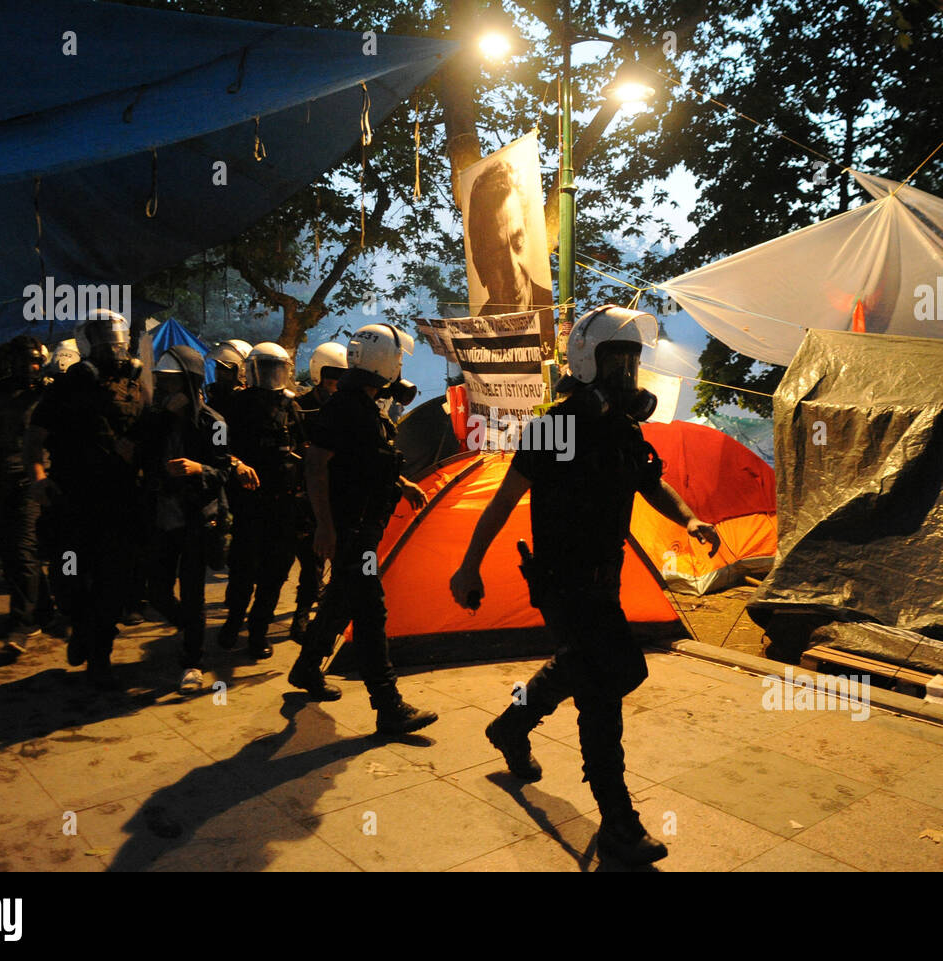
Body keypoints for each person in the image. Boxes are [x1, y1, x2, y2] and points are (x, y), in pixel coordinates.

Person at [448, 304, 720, 866]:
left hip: (606, 580)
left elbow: (653, 483)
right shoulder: (554, 427)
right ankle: (618, 821)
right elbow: (504, 501)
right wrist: (468, 565)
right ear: (586, 361)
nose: (626, 371)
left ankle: (512, 723)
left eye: (632, 359)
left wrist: (690, 519)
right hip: (562, 581)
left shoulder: (624, 428)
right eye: (615, 358)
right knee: (603, 689)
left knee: (581, 665)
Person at [287, 324, 436, 735]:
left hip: (362, 527)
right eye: (398, 357)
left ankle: (305, 668)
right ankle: (389, 706)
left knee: (341, 602)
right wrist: (324, 527)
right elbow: (316, 464)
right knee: (371, 611)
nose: (402, 364)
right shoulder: (346, 407)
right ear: (384, 360)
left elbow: (365, 460)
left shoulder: (364, 403)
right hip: (350, 530)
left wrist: (401, 483)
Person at [26, 308, 146, 690]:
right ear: (86, 340)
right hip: (73, 504)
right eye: (103, 334)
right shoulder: (67, 387)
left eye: (116, 334)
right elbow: (35, 437)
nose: (112, 343)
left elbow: (151, 435)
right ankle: (78, 626)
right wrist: (39, 478)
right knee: (69, 576)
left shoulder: (135, 387)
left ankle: (100, 657)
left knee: (113, 584)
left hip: (119, 505)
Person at [139, 345, 231, 693]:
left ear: (190, 383)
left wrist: (199, 469)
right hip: (163, 517)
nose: (166, 390)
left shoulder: (214, 422)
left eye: (174, 384)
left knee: (193, 592)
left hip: (196, 518)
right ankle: (189, 627)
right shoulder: (155, 420)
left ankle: (193, 661)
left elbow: (223, 470)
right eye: (162, 383)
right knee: (158, 590)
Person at [218, 342, 310, 659]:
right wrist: (236, 464)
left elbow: (306, 448)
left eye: (276, 368)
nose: (272, 375)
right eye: (266, 368)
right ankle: (233, 621)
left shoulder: (292, 407)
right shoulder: (235, 406)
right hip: (249, 503)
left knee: (276, 572)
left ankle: (258, 630)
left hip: (284, 504)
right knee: (244, 569)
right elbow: (218, 449)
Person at [0, 335, 52, 652]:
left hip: (30, 480)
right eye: (26, 362)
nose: (32, 368)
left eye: (36, 361)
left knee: (24, 550)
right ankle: (44, 608)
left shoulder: (48, 394)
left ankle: (23, 623)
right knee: (10, 553)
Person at [287, 341, 348, 643]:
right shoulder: (299, 407)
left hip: (338, 493)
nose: (335, 382)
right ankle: (300, 616)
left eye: (341, 375)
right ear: (319, 374)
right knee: (312, 564)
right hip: (307, 494)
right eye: (331, 375)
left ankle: (328, 617)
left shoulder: (348, 408)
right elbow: (296, 449)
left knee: (338, 565)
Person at [467, 161, 554, 323]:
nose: (513, 270)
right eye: (497, 254)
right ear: (479, 263)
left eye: (518, 243)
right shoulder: (475, 338)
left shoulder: (556, 314)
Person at [204, 339, 251, 418]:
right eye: (218, 366)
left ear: (242, 370)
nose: (220, 373)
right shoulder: (214, 397)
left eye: (226, 369)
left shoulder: (248, 404)